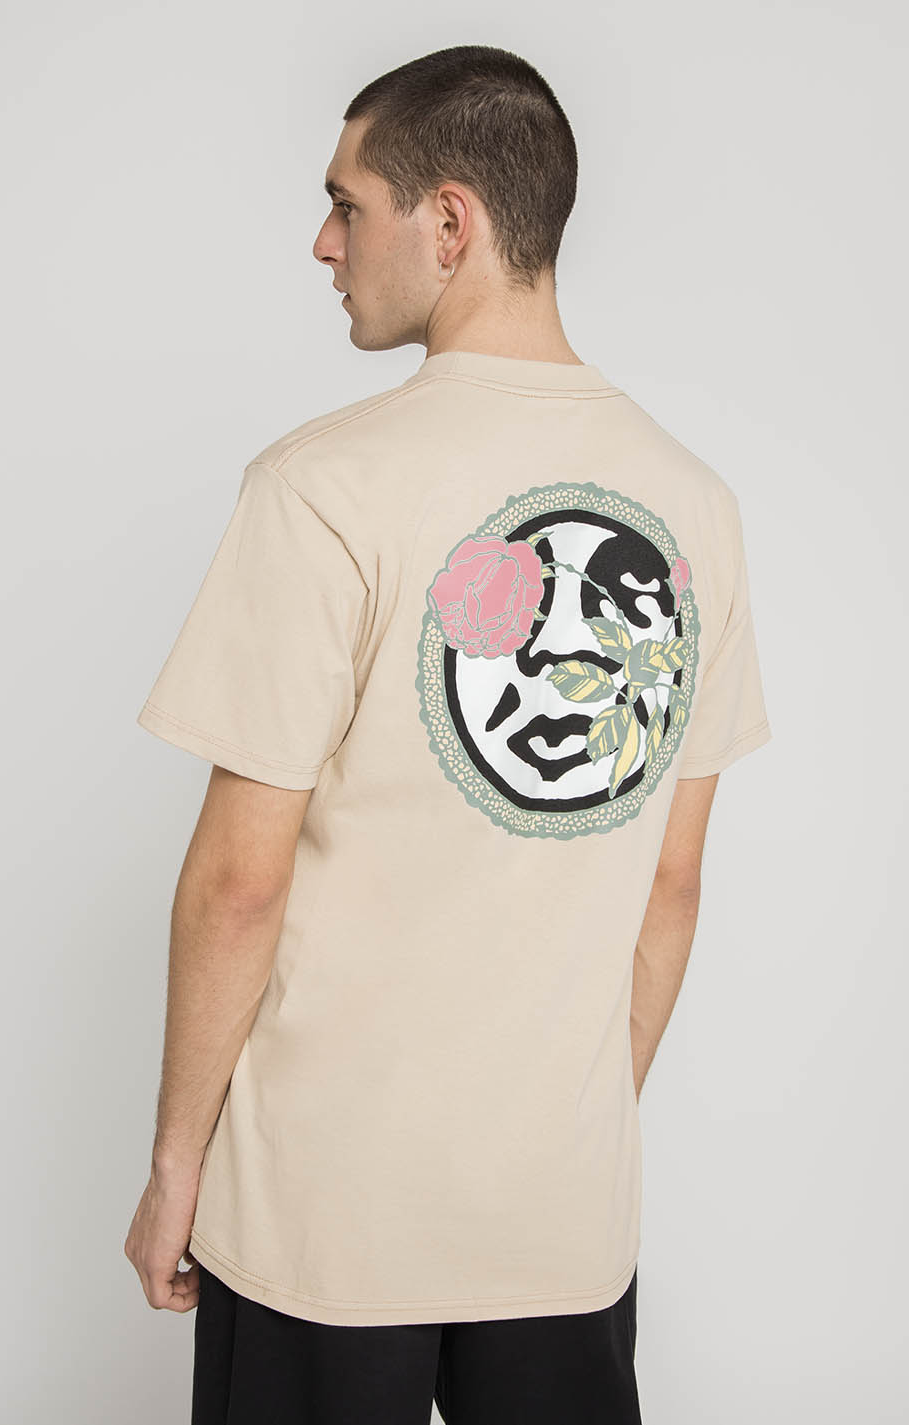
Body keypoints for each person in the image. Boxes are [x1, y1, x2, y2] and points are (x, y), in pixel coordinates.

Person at [124, 43, 773, 1425]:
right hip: (560, 1216)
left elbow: (239, 882)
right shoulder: (695, 508)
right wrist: (566, 1132)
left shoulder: (322, 487)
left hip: (319, 1214)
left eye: (346, 203)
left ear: (451, 221)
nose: (324, 242)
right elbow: (670, 879)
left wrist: (177, 1162)